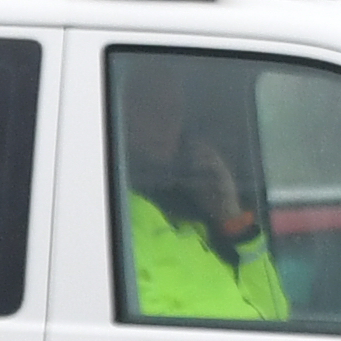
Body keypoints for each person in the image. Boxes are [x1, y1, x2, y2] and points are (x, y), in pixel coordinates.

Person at [115, 79, 291, 321]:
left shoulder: (196, 225)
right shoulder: (117, 216)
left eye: (174, 112)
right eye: (150, 109)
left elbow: (275, 315)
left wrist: (234, 220)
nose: (165, 122)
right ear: (122, 116)